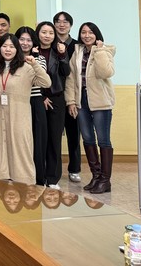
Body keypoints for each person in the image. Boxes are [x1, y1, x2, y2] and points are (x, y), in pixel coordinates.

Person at [0, 33, 51, 185]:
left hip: (20, 119)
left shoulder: (26, 67)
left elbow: (46, 83)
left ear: (17, 49)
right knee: (1, 150)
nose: (8, 50)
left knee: (21, 150)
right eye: (4, 46)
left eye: (12, 46)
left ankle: (26, 184)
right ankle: (3, 184)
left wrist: (35, 64)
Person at [65, 22, 115, 194]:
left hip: (101, 101)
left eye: (90, 32)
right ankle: (96, 176)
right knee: (87, 138)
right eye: (83, 32)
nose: (87, 35)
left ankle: (105, 180)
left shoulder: (105, 50)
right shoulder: (77, 51)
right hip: (82, 101)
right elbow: (71, 78)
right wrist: (71, 101)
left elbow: (105, 73)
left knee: (103, 140)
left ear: (96, 35)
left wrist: (99, 51)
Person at [35, 21, 70, 189]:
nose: (47, 35)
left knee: (55, 139)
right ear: (38, 33)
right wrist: (42, 96)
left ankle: (53, 178)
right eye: (44, 32)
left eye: (50, 32)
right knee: (39, 139)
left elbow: (66, 72)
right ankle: (39, 176)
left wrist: (63, 56)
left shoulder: (59, 51)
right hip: (37, 98)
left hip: (56, 98)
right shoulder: (32, 50)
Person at [15, 26, 47, 186]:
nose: (25, 43)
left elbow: (40, 80)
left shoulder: (39, 59)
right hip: (17, 102)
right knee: (20, 142)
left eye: (28, 40)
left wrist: (33, 60)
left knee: (37, 142)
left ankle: (39, 180)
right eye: (21, 39)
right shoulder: (11, 59)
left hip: (35, 102)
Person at [53, 11, 82, 183]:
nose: (61, 24)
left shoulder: (78, 46)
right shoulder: (50, 44)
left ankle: (74, 169)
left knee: (74, 133)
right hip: (55, 94)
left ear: (70, 25)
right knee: (54, 135)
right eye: (58, 21)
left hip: (73, 95)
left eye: (65, 22)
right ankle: (54, 170)